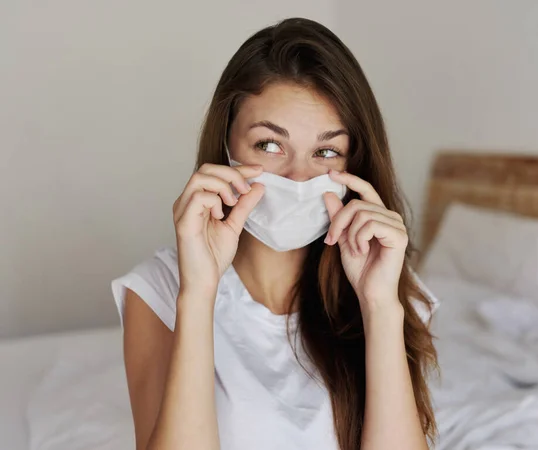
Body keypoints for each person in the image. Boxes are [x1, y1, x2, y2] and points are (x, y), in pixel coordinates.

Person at [111, 17, 438, 450]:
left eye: (326, 151)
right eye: (269, 145)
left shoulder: (389, 288)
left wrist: (379, 307)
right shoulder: (157, 289)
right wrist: (199, 292)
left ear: (352, 166)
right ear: (226, 148)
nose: (300, 178)